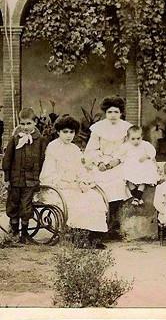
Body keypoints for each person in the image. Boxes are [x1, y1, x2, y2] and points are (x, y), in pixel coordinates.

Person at [40, 115, 108, 248]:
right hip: (58, 188)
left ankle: (92, 236)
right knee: (77, 202)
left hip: (75, 185)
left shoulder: (75, 149)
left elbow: (80, 169)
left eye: (71, 132)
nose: (68, 135)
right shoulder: (53, 148)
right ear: (58, 132)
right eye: (65, 132)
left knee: (94, 198)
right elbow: (48, 174)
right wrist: (68, 184)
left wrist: (83, 181)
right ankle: (77, 235)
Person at [84, 96, 132, 237]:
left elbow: (129, 148)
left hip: (119, 162)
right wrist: (99, 162)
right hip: (101, 163)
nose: (113, 115)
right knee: (98, 187)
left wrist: (117, 160)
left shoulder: (126, 128)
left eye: (116, 112)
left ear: (121, 113)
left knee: (117, 185)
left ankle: (111, 225)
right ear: (105, 113)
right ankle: (99, 226)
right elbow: (91, 149)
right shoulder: (98, 128)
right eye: (110, 112)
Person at [2, 107, 48, 243]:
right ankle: (14, 231)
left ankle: (25, 233)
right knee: (13, 204)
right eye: (22, 124)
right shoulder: (15, 139)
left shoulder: (40, 140)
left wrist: (40, 177)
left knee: (26, 206)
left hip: (31, 180)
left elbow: (42, 160)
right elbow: (7, 159)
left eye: (28, 123)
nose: (25, 127)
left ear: (35, 123)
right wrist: (7, 178)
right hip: (15, 180)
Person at [118, 125, 158, 206]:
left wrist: (146, 156)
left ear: (142, 137)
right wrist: (123, 159)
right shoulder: (126, 146)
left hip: (142, 166)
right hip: (131, 166)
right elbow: (120, 154)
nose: (136, 141)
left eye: (138, 138)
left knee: (143, 180)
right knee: (128, 180)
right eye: (133, 139)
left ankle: (137, 198)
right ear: (128, 138)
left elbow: (152, 152)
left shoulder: (145, 144)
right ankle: (137, 197)